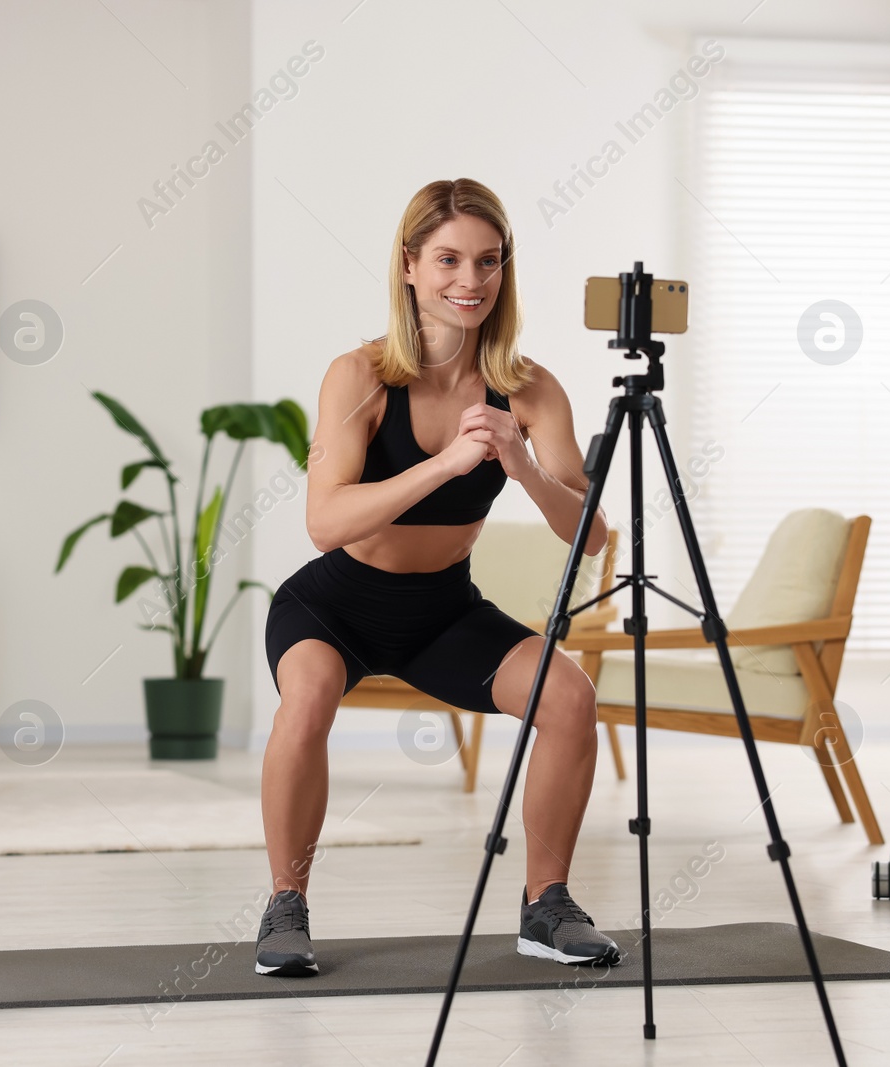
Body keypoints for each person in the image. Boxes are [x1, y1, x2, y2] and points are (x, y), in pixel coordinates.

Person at [255, 178, 621, 977]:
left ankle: (546, 905)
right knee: (308, 696)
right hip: (334, 606)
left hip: (444, 611)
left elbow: (590, 534)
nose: (471, 280)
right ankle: (286, 907)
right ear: (410, 266)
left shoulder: (529, 388)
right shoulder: (359, 376)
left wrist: (522, 466)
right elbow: (325, 521)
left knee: (569, 696)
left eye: (488, 261)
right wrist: (449, 462)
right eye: (449, 259)